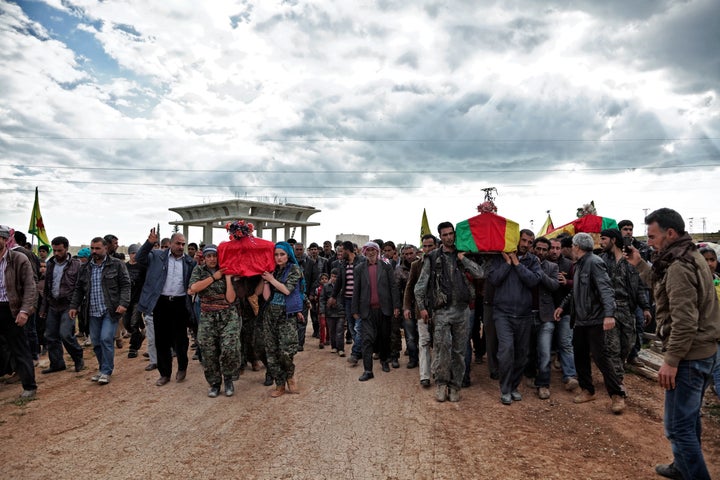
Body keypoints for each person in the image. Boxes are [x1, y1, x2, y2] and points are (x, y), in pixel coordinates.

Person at [626, 208, 720, 480]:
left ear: (670, 233)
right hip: (702, 352)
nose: (649, 242)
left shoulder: (679, 265)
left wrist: (671, 361)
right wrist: (641, 266)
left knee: (678, 428)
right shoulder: (687, 255)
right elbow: (663, 288)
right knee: (688, 420)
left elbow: (685, 321)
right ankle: (682, 466)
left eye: (653, 236)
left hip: (690, 358)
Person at [554, 233, 626, 414]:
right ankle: (588, 390)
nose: (571, 249)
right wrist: (562, 307)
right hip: (581, 320)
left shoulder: (594, 262)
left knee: (601, 358)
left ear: (577, 246)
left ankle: (617, 395)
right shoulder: (578, 265)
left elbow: (606, 289)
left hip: (595, 320)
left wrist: (609, 315)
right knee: (580, 355)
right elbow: (575, 292)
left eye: (572, 246)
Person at [415, 222, 486, 402]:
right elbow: (420, 286)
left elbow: (480, 274)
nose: (448, 237)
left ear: (455, 234)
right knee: (441, 349)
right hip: (441, 312)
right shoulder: (432, 257)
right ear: (440, 236)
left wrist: (464, 259)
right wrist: (422, 308)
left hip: (462, 311)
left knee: (459, 351)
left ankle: (455, 386)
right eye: (444, 234)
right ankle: (441, 384)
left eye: (450, 234)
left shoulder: (464, 254)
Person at [487, 229, 542, 405]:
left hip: (524, 315)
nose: (526, 244)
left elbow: (534, 281)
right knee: (506, 351)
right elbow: (494, 279)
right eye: (523, 240)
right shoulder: (499, 257)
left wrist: (517, 264)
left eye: (529, 242)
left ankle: (514, 386)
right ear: (516, 240)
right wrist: (508, 263)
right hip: (502, 313)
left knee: (522, 354)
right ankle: (505, 389)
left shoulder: (533, 261)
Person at [136, 229, 196, 387]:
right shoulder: (157, 256)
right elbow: (140, 258)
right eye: (178, 243)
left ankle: (182, 368)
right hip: (161, 303)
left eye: (183, 244)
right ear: (170, 243)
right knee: (161, 340)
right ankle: (164, 374)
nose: (181, 247)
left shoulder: (189, 262)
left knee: (181, 340)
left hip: (180, 303)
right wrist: (149, 243)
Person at [69, 237, 131, 385]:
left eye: (97, 248)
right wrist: (73, 306)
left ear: (105, 248)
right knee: (96, 342)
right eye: (92, 248)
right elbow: (79, 289)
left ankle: (106, 371)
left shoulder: (116, 265)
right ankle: (103, 368)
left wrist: (123, 303)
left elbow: (126, 285)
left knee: (106, 339)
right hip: (92, 311)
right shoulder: (86, 267)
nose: (94, 251)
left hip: (110, 310)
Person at [188, 244, 240, 398]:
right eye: (208, 256)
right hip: (207, 315)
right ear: (204, 257)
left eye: (214, 255)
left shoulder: (226, 270)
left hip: (227, 315)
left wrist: (228, 279)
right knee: (208, 350)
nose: (212, 259)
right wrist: (213, 277)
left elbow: (231, 298)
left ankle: (229, 379)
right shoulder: (199, 270)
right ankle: (215, 384)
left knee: (229, 348)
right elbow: (194, 288)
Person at [352, 241, 401, 381]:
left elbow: (393, 287)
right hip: (367, 311)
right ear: (365, 252)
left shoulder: (386, 267)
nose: (371, 252)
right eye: (368, 250)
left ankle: (384, 361)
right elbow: (357, 290)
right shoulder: (360, 268)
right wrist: (354, 309)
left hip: (384, 309)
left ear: (377, 252)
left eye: (373, 250)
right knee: (367, 340)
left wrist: (396, 306)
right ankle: (368, 370)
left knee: (384, 338)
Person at [261, 241, 304, 398]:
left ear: (288, 255)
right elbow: (266, 297)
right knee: (272, 353)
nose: (278, 258)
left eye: (282, 254)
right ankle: (279, 384)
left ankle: (290, 376)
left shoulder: (294, 269)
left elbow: (287, 290)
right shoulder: (273, 271)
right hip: (270, 316)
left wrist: (271, 279)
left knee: (286, 351)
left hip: (286, 316)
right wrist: (266, 280)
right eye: (276, 255)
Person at [0, 225, 38, 398]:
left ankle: (29, 386)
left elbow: (31, 287)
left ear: (5, 239)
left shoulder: (18, 259)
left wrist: (24, 311)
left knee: (20, 348)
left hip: (12, 309)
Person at [39, 236, 85, 374]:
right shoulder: (50, 264)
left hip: (68, 305)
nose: (56, 253)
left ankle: (78, 358)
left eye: (59, 250)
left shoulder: (76, 265)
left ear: (66, 248)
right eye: (54, 250)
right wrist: (43, 308)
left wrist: (76, 306)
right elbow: (47, 288)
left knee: (65, 334)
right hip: (53, 304)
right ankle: (57, 363)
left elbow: (81, 287)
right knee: (50, 335)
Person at [404, 234, 437, 387]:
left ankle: (436, 371)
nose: (428, 249)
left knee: (438, 343)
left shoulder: (442, 262)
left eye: (431, 246)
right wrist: (406, 307)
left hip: (439, 311)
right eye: (425, 246)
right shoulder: (416, 265)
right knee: (423, 342)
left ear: (436, 246)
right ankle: (424, 376)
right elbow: (410, 288)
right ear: (422, 248)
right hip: (421, 310)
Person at [124, 243, 147, 359]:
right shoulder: (124, 267)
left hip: (138, 299)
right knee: (126, 324)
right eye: (132, 253)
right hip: (127, 299)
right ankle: (140, 335)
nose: (134, 255)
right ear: (129, 254)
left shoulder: (142, 267)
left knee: (134, 323)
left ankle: (133, 347)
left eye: (137, 253)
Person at [319, 268, 345, 356]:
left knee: (340, 331)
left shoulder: (343, 286)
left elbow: (345, 299)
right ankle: (334, 347)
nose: (334, 278)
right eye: (332, 276)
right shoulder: (326, 286)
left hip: (340, 312)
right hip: (330, 313)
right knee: (332, 331)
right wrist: (322, 311)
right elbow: (322, 299)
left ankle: (341, 349)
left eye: (336, 277)